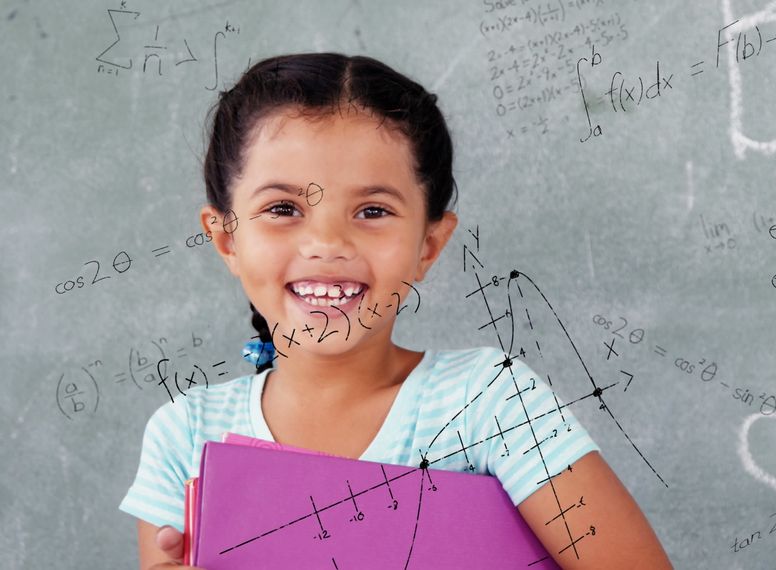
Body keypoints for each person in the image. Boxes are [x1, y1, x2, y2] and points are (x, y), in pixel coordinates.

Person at [117, 53, 671, 569]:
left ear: (429, 244)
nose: (327, 243)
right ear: (227, 240)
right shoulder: (187, 434)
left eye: (373, 210)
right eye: (282, 208)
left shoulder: (489, 404)